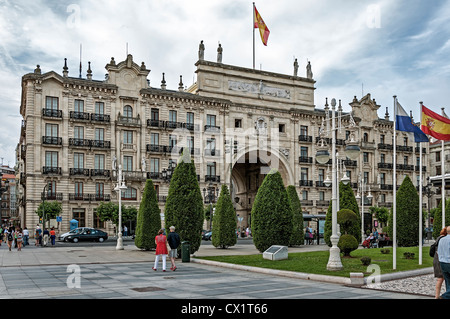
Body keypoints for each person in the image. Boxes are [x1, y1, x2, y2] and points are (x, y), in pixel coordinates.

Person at [433, 227, 447, 298]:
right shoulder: (443, 239)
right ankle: (440, 296)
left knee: (440, 279)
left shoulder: (439, 238)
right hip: (441, 260)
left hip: (437, 259)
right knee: (441, 279)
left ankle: (437, 296)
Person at [438, 225, 450, 299]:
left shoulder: (442, 239)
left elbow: (439, 251)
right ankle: (444, 296)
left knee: (448, 282)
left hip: (442, 263)